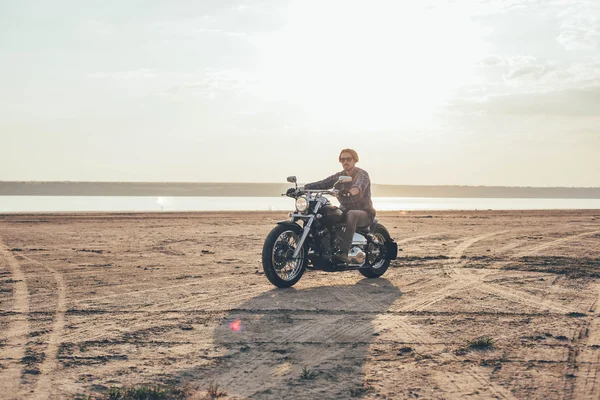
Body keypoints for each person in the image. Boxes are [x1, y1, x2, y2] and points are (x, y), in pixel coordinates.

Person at [303, 148, 376, 264]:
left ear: (355, 160)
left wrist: (350, 191)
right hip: (345, 211)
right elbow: (323, 183)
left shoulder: (362, 174)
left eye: (348, 159)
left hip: (365, 213)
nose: (345, 162)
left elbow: (358, 187)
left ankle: (344, 253)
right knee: (324, 214)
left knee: (352, 214)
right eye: (342, 159)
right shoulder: (339, 176)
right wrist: (303, 188)